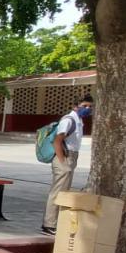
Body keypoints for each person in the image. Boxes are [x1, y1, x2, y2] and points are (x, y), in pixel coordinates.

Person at [43, 94, 93, 235]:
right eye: (84, 106)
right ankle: (49, 224)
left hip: (71, 157)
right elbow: (57, 141)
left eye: (90, 106)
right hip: (64, 157)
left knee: (63, 191)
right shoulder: (69, 120)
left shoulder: (79, 121)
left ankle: (54, 223)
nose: (87, 109)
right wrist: (63, 162)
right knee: (57, 192)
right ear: (75, 106)